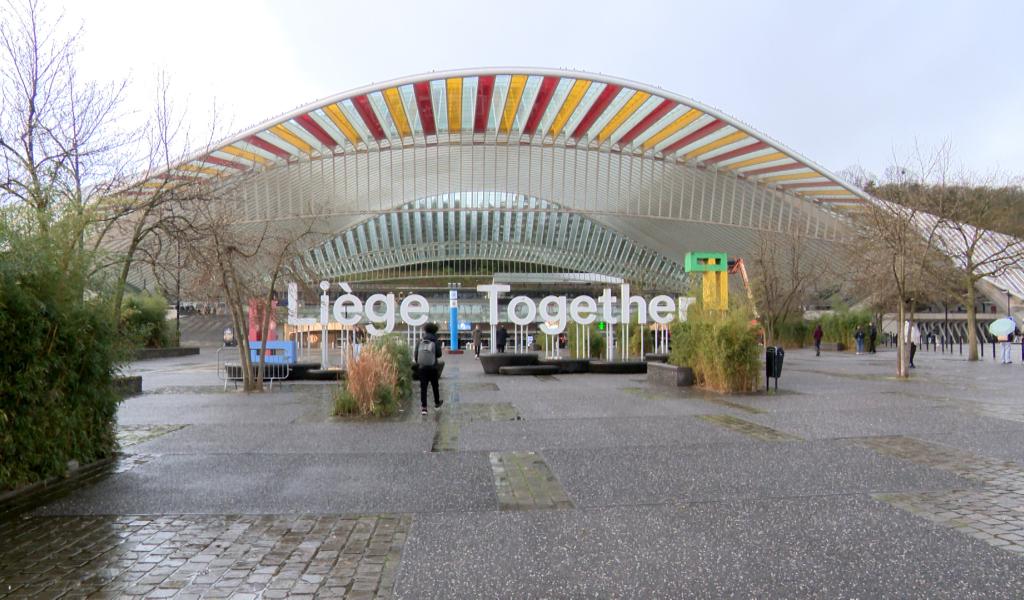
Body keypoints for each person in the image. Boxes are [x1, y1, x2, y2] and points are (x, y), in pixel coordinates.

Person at [414, 322, 443, 415]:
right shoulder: (435, 340)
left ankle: (424, 408)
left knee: (423, 387)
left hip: (422, 367)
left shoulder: (420, 340)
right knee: (435, 386)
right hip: (433, 366)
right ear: (434, 330)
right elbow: (439, 354)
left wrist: (420, 361)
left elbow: (416, 355)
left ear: (425, 330)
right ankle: (437, 403)